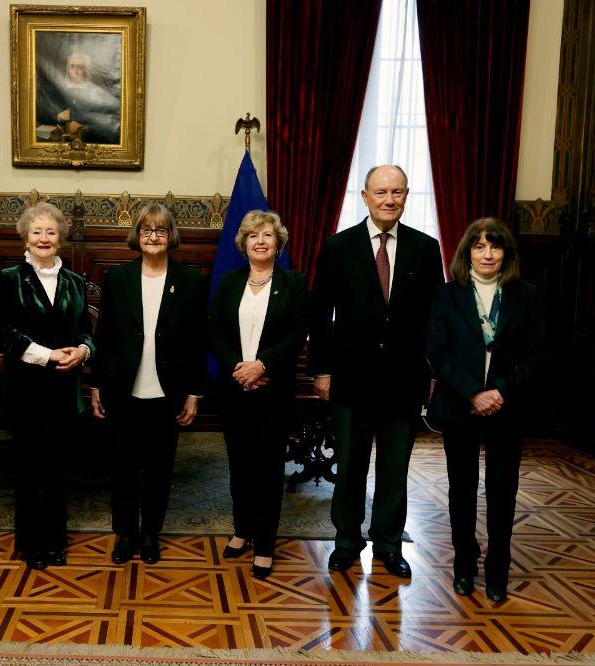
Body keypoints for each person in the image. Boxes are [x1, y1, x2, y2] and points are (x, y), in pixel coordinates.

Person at [308, 165, 444, 579]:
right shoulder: (338, 246)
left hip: (405, 380)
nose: (390, 199)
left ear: (406, 196)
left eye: (397, 192)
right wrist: (322, 371)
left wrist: (433, 374)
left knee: (394, 468)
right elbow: (320, 313)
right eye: (381, 192)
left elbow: (435, 316)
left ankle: (388, 543)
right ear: (365, 197)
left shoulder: (426, 247)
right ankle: (346, 541)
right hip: (350, 378)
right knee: (350, 466)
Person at [427, 217, 548, 602]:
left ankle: (498, 569)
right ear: (467, 253)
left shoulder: (526, 294)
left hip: (507, 407)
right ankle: (464, 566)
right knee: (461, 489)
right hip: (458, 405)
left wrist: (499, 392)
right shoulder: (447, 295)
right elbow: (437, 352)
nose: (487, 254)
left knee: (502, 490)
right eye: (479, 247)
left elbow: (537, 354)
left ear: (506, 254)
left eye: (495, 246)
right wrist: (471, 393)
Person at [90, 203, 207, 566]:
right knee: (122, 467)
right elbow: (104, 336)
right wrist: (95, 386)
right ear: (136, 236)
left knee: (159, 469)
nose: (152, 236)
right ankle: (125, 534)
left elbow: (196, 342)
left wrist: (193, 393)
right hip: (122, 389)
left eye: (159, 230)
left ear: (170, 236)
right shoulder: (118, 278)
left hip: (167, 392)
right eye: (145, 230)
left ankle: (151, 534)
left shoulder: (190, 281)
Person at [0, 202, 95, 570]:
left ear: (61, 238)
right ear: (25, 236)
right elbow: (3, 334)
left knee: (56, 469)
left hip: (65, 391)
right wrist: (49, 355)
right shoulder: (8, 280)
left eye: (51, 232)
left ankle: (54, 541)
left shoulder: (75, 281)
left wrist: (82, 352)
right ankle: (31, 543)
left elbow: (86, 329)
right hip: (26, 391)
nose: (44, 238)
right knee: (28, 469)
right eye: (37, 232)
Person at [208, 210, 309, 580]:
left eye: (267, 235)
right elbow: (214, 330)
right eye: (254, 236)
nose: (261, 241)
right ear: (244, 243)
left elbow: (296, 335)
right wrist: (239, 367)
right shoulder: (230, 281)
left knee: (267, 470)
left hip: (272, 391)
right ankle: (242, 530)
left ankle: (265, 544)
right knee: (239, 467)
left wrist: (261, 365)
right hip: (235, 389)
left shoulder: (293, 283)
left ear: (277, 243)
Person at [36, 51, 120, 145]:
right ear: (68, 69)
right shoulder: (59, 90)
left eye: (79, 67)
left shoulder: (96, 92)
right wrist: (58, 115)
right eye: (72, 67)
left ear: (86, 70)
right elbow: (44, 114)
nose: (75, 71)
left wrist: (75, 117)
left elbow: (106, 118)